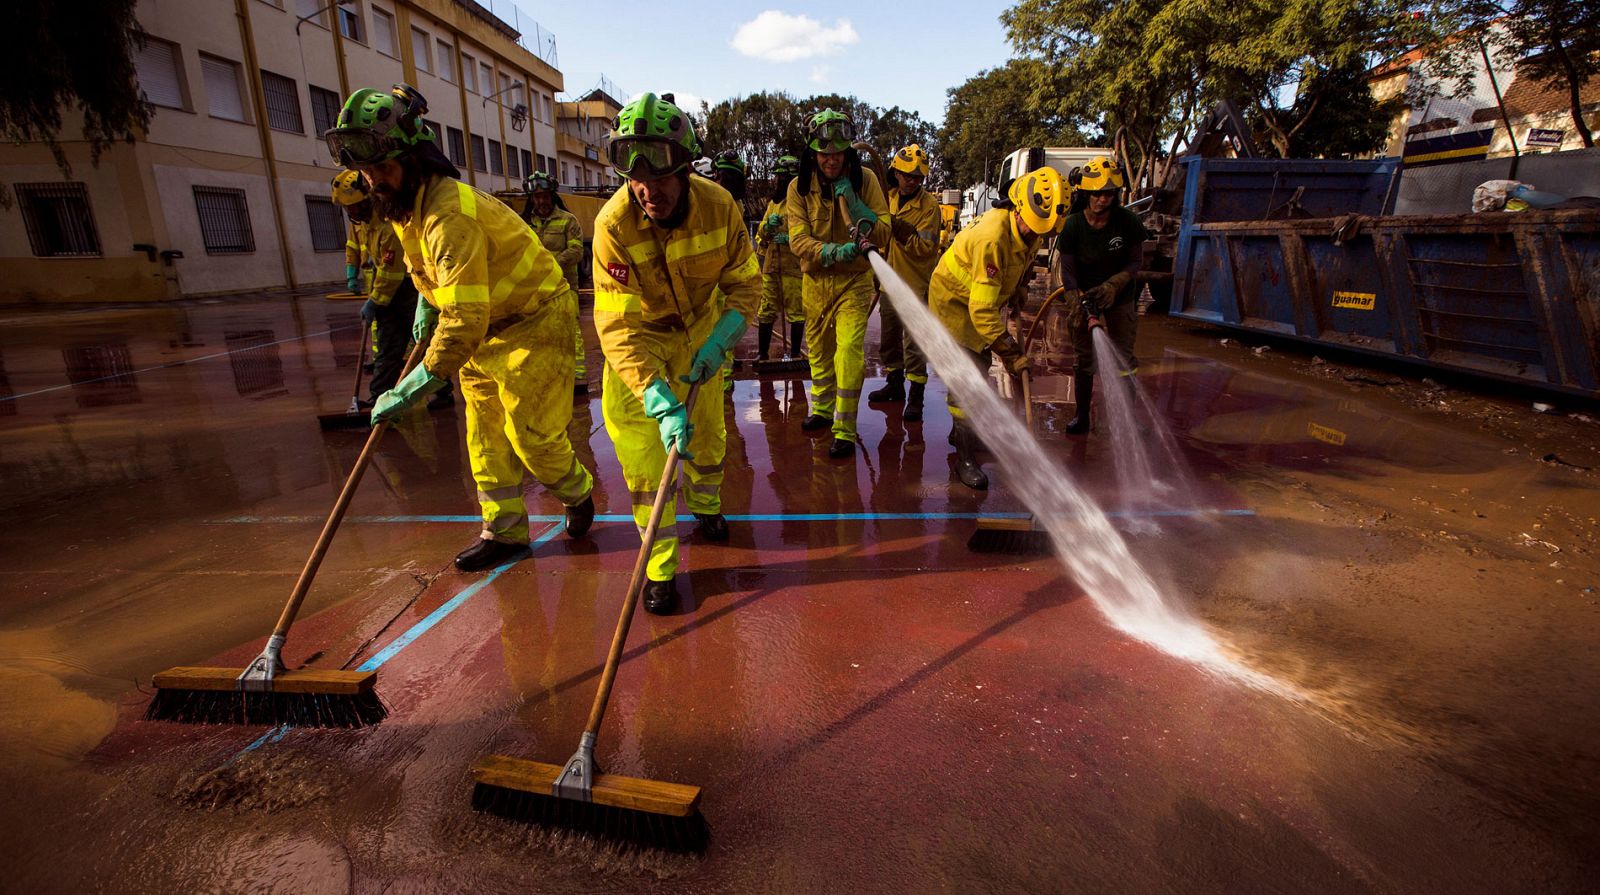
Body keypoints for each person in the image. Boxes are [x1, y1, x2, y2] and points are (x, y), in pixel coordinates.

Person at [324, 84, 596, 571]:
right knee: (485, 437)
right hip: (485, 329)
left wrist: (415, 386)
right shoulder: (408, 206)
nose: (375, 181)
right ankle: (506, 531)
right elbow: (430, 268)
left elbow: (465, 318)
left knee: (531, 435)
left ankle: (576, 492)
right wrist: (429, 303)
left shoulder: (448, 213)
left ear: (414, 159)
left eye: (383, 168)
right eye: (367, 171)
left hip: (532, 319)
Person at [590, 92, 760, 614]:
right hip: (640, 342)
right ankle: (660, 568)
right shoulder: (611, 226)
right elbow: (616, 323)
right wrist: (655, 394)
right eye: (634, 174)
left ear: (685, 166)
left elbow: (746, 288)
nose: (647, 189)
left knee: (708, 439)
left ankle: (707, 505)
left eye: (659, 173)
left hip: (703, 331)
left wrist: (719, 340)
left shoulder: (719, 206)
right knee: (645, 464)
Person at [927, 166, 1066, 490]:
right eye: (1032, 228)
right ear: (1017, 207)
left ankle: (963, 433)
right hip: (954, 305)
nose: (1035, 235)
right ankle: (964, 456)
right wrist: (1010, 352)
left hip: (976, 302)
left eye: (1040, 232)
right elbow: (982, 311)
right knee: (970, 380)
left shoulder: (1030, 229)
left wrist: (1018, 289)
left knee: (977, 370)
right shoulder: (992, 238)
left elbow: (1021, 263)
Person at [784, 109, 891, 460]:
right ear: (812, 152)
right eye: (824, 153)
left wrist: (858, 206)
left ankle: (844, 428)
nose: (831, 160)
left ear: (848, 152)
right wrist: (833, 251)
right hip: (815, 281)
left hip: (854, 282)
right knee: (818, 352)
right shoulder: (798, 189)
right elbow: (799, 241)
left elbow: (885, 232)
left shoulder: (867, 181)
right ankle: (823, 410)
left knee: (847, 352)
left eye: (838, 153)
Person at [1056, 156, 1147, 434]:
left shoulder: (1127, 222)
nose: (1101, 200)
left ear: (1115, 195)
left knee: (1123, 358)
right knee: (1084, 359)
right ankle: (1082, 416)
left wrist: (1114, 285)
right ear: (1085, 193)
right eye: (1096, 193)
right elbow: (1068, 269)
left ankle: (1128, 419)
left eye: (1108, 194)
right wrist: (1075, 298)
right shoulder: (1072, 226)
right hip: (1084, 296)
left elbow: (1135, 262)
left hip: (1118, 297)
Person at [866, 143, 941, 423]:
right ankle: (895, 385)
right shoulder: (887, 198)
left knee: (914, 345)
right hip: (888, 284)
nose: (912, 181)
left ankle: (916, 398)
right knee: (889, 343)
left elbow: (925, 249)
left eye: (917, 178)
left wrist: (900, 229)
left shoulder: (930, 207)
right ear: (895, 173)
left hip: (914, 286)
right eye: (907, 175)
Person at [333, 169, 419, 405]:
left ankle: (441, 392)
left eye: (352, 206)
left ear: (365, 200)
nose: (349, 211)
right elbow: (357, 250)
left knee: (425, 343)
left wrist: (375, 301)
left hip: (407, 289)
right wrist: (354, 274)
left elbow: (391, 271)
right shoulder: (365, 223)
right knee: (387, 351)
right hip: (387, 292)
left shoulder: (387, 225)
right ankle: (378, 400)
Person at [522, 171, 588, 394]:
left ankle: (578, 377)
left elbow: (577, 251)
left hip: (565, 287)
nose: (541, 201)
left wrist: (549, 266)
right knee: (539, 334)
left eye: (545, 196)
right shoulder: (524, 224)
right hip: (535, 291)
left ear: (552, 196)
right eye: (537, 197)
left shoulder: (568, 220)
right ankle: (547, 376)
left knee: (571, 332)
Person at [754, 154, 805, 361]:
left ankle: (794, 355)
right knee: (766, 310)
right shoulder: (773, 204)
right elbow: (761, 233)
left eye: (780, 177)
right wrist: (767, 227)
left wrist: (790, 238)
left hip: (793, 267)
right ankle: (762, 354)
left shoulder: (801, 201)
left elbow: (809, 232)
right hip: (772, 266)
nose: (776, 180)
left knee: (796, 312)